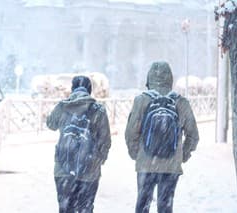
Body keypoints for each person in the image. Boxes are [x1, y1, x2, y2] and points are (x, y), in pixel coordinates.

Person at [125, 61, 199, 213]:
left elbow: (131, 133)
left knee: (142, 205)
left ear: (149, 78)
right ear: (170, 79)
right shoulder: (180, 102)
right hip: (171, 165)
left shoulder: (141, 100)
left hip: (146, 164)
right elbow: (193, 135)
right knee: (165, 206)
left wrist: (137, 154)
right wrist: (182, 156)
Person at [46, 75, 111, 213]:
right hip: (89, 171)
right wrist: (98, 161)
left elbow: (51, 124)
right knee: (85, 208)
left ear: (72, 89)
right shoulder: (98, 110)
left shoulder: (63, 106)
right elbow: (105, 141)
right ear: (89, 90)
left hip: (63, 169)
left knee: (65, 208)